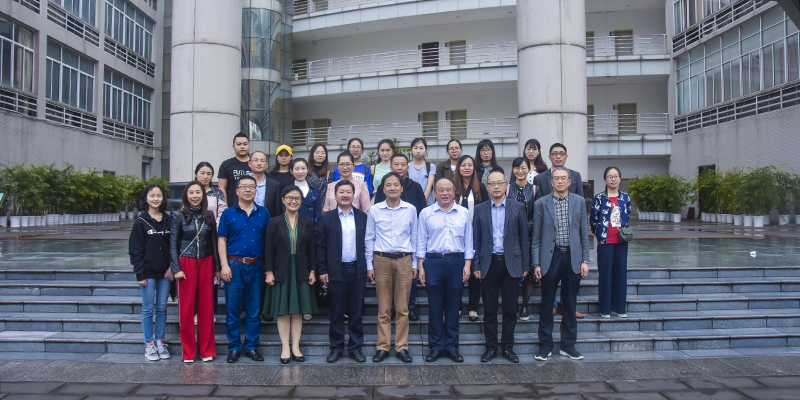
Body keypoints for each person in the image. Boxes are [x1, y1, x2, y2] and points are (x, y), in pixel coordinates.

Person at [532, 167, 591, 361]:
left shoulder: (579, 202)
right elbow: (536, 238)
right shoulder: (541, 203)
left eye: (563, 178)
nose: (559, 181)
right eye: (556, 178)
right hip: (550, 258)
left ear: (569, 181)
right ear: (551, 182)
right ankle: (545, 345)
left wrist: (585, 260)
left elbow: (584, 234)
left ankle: (568, 345)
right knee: (547, 303)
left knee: (570, 303)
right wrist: (536, 263)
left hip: (573, 258)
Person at [472, 168, 529, 364]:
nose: (496, 186)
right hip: (488, 263)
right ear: (487, 187)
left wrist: (525, 264)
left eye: (500, 183)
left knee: (510, 309)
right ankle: (490, 348)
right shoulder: (480, 209)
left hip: (511, 263)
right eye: (492, 183)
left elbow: (524, 238)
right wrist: (476, 264)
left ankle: (507, 348)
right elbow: (476, 240)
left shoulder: (517, 207)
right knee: (489, 310)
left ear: (506, 186)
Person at [416, 178, 473, 363]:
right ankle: (435, 347)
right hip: (433, 262)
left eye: (448, 189)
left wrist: (467, 264)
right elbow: (421, 241)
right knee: (435, 307)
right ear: (435, 193)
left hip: (456, 262)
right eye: (441, 190)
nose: (445, 193)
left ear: (454, 192)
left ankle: (452, 347)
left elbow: (469, 241)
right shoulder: (426, 213)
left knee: (453, 307)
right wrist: (421, 265)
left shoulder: (464, 213)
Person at [217, 175, 271, 363]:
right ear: (237, 191)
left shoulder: (264, 213)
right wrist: (224, 265)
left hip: (257, 266)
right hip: (234, 266)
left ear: (256, 191)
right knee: (233, 310)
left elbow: (269, 241)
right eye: (244, 186)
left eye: (251, 187)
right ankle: (234, 347)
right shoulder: (228, 214)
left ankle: (251, 347)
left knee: (254, 310)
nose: (248, 190)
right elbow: (221, 240)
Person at [365, 172, 418, 363]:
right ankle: (383, 346)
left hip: (404, 260)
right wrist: (369, 265)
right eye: (388, 185)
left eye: (396, 184)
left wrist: (414, 264)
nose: (392, 188)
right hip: (382, 260)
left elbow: (414, 237)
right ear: (383, 188)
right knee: (384, 307)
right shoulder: (375, 210)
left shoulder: (410, 210)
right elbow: (369, 238)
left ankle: (402, 347)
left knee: (403, 308)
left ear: (401, 188)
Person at [263, 185, 318, 364]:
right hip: (282, 270)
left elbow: (312, 249)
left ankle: (296, 347)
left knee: (298, 311)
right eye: (290, 198)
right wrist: (269, 271)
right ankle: (285, 348)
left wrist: (312, 270)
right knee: (283, 311)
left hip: (301, 269)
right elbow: (268, 249)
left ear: (301, 201)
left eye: (297, 198)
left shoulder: (308, 222)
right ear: (283, 200)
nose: (293, 201)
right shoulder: (274, 222)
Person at [317, 180, 368, 363]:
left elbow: (368, 243)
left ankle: (355, 348)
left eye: (348, 192)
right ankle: (336, 347)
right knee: (336, 313)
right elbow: (320, 246)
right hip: (335, 271)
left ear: (354, 195)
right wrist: (322, 269)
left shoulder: (362, 217)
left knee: (356, 313)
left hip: (357, 270)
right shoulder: (326, 218)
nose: (345, 195)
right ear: (335, 195)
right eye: (341, 192)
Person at [533, 142, 585, 318]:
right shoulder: (540, 179)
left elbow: (580, 212)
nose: (558, 156)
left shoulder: (575, 176)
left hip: (571, 247)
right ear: (549, 157)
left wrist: (585, 259)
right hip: (550, 244)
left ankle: (568, 306)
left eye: (561, 153)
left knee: (570, 286)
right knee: (549, 287)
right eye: (554, 153)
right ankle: (553, 306)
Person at [374, 153, 428, 321]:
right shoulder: (384, 187)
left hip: (409, 234)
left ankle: (410, 306)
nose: (399, 167)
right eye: (396, 164)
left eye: (402, 164)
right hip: (387, 240)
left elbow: (422, 210)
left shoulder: (416, 186)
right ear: (391, 167)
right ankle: (390, 307)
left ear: (407, 167)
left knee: (410, 278)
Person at [169, 181, 219, 363]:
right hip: (186, 262)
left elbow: (214, 242)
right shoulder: (178, 216)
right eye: (191, 192)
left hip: (206, 262)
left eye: (198, 192)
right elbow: (173, 244)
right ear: (186, 196)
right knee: (186, 309)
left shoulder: (209, 215)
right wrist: (176, 268)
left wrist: (217, 268)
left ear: (203, 195)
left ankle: (206, 350)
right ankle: (188, 352)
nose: (195, 196)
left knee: (206, 308)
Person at [128, 183, 172, 362]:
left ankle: (160, 341)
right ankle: (149, 343)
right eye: (152, 195)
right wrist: (139, 273)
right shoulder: (141, 222)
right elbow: (135, 250)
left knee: (162, 307)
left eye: (159, 195)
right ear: (146, 198)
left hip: (165, 273)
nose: (156, 199)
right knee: (148, 309)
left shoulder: (169, 220)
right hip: (147, 272)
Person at [590, 167, 631, 319]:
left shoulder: (625, 198)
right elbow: (593, 220)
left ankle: (620, 308)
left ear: (620, 178)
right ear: (605, 179)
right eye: (610, 176)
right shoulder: (599, 198)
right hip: (605, 242)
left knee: (620, 274)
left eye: (616, 176)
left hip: (621, 241)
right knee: (605, 275)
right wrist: (600, 234)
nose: (613, 179)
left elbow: (628, 215)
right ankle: (605, 308)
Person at [453, 155, 489, 322]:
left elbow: (486, 210)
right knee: (458, 272)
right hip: (456, 235)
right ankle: (458, 305)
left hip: (476, 235)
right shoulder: (452, 186)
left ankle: (473, 307)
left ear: (474, 168)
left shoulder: (480, 187)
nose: (466, 168)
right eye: (463, 165)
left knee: (475, 271)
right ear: (458, 168)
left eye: (470, 165)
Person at [508, 157, 541, 321]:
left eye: (523, 168)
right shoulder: (507, 188)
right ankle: (512, 304)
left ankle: (525, 306)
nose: (520, 171)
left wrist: (525, 227)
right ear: (513, 170)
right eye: (517, 168)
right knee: (512, 271)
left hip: (529, 235)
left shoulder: (535, 189)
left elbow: (538, 214)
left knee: (527, 272)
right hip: (511, 236)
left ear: (528, 169)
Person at [218, 133, 253, 207]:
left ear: (249, 146)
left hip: (253, 208)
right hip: (232, 207)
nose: (242, 146)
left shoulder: (255, 164)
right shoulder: (226, 164)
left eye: (245, 144)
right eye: (239, 144)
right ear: (233, 147)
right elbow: (222, 189)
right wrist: (226, 208)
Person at [249, 151, 282, 218]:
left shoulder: (274, 185)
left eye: (262, 161)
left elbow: (278, 210)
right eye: (255, 160)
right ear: (249, 164)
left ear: (267, 164)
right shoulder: (242, 184)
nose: (259, 163)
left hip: (268, 222)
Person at [290, 158, 322, 224]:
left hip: (311, 227)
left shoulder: (315, 191)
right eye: (297, 169)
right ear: (291, 171)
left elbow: (318, 212)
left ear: (308, 170)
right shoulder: (288, 191)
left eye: (303, 168)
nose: (300, 172)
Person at [195, 161, 227, 225]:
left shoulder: (217, 192)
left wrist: (216, 226)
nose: (205, 177)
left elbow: (222, 212)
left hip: (214, 228)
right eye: (202, 173)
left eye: (209, 174)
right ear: (196, 174)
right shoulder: (191, 191)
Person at [408, 137, 436, 206]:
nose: (418, 151)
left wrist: (422, 203)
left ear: (425, 150)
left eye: (421, 148)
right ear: (411, 150)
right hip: (410, 204)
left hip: (427, 204)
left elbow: (429, 187)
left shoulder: (431, 166)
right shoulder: (407, 166)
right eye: (415, 148)